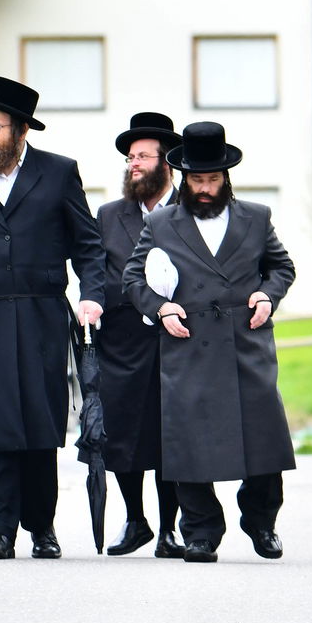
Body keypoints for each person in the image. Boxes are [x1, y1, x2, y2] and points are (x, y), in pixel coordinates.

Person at [0, 75, 106, 560]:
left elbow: (89, 245)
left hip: (39, 316)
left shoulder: (58, 172)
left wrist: (92, 295)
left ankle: (40, 526)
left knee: (37, 422)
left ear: (22, 131)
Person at [123, 120, 296, 562]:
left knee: (264, 443)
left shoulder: (256, 217)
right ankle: (200, 532)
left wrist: (267, 294)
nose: (203, 188)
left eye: (212, 180)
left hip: (246, 342)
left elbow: (281, 268)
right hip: (188, 343)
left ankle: (261, 522)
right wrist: (161, 309)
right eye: (196, 180)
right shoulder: (161, 222)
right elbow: (133, 278)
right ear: (184, 179)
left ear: (226, 179)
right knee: (188, 444)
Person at [95, 110, 183, 558]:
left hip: (177, 339)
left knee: (170, 433)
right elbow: (96, 268)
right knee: (122, 431)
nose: (133, 164)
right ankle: (136, 520)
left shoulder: (189, 213)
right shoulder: (110, 214)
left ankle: (170, 528)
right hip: (122, 340)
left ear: (167, 163)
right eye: (130, 157)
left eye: (143, 156)